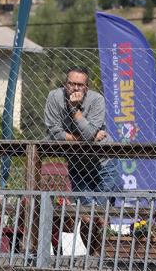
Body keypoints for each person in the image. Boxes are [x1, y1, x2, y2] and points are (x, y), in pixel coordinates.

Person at [42, 67, 117, 255]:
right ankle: (91, 256)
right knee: (85, 216)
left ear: (87, 87)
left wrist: (75, 111)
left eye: (80, 85)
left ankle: (99, 256)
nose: (75, 88)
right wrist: (85, 138)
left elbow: (90, 133)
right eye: (71, 83)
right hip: (78, 164)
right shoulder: (55, 97)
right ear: (65, 84)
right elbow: (54, 133)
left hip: (104, 163)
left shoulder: (97, 100)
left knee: (100, 216)